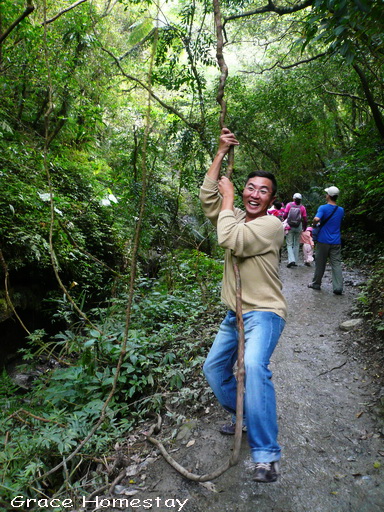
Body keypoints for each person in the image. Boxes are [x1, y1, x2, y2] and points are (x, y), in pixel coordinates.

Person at [199, 128, 287, 483]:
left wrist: (230, 196)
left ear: (271, 199)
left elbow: (229, 238)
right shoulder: (234, 214)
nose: (255, 194)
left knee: (252, 366)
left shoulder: (271, 226)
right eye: (250, 187)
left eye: (263, 191)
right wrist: (220, 153)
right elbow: (209, 201)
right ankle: (246, 414)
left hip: (264, 313)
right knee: (214, 369)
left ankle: (266, 455)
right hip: (234, 314)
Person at [308, 186, 344, 294]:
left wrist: (314, 224)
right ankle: (338, 287)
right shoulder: (341, 210)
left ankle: (316, 283)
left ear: (328, 196)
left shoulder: (323, 208)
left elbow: (316, 219)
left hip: (323, 240)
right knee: (336, 264)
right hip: (336, 240)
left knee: (320, 263)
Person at [283, 193, 307, 267]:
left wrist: (285, 221)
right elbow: (305, 219)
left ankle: (291, 260)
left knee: (289, 244)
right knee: (296, 244)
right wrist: (304, 228)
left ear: (293, 198)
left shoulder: (289, 205)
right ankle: (295, 261)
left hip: (290, 226)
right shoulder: (302, 207)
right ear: (300, 200)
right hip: (298, 226)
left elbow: (285, 215)